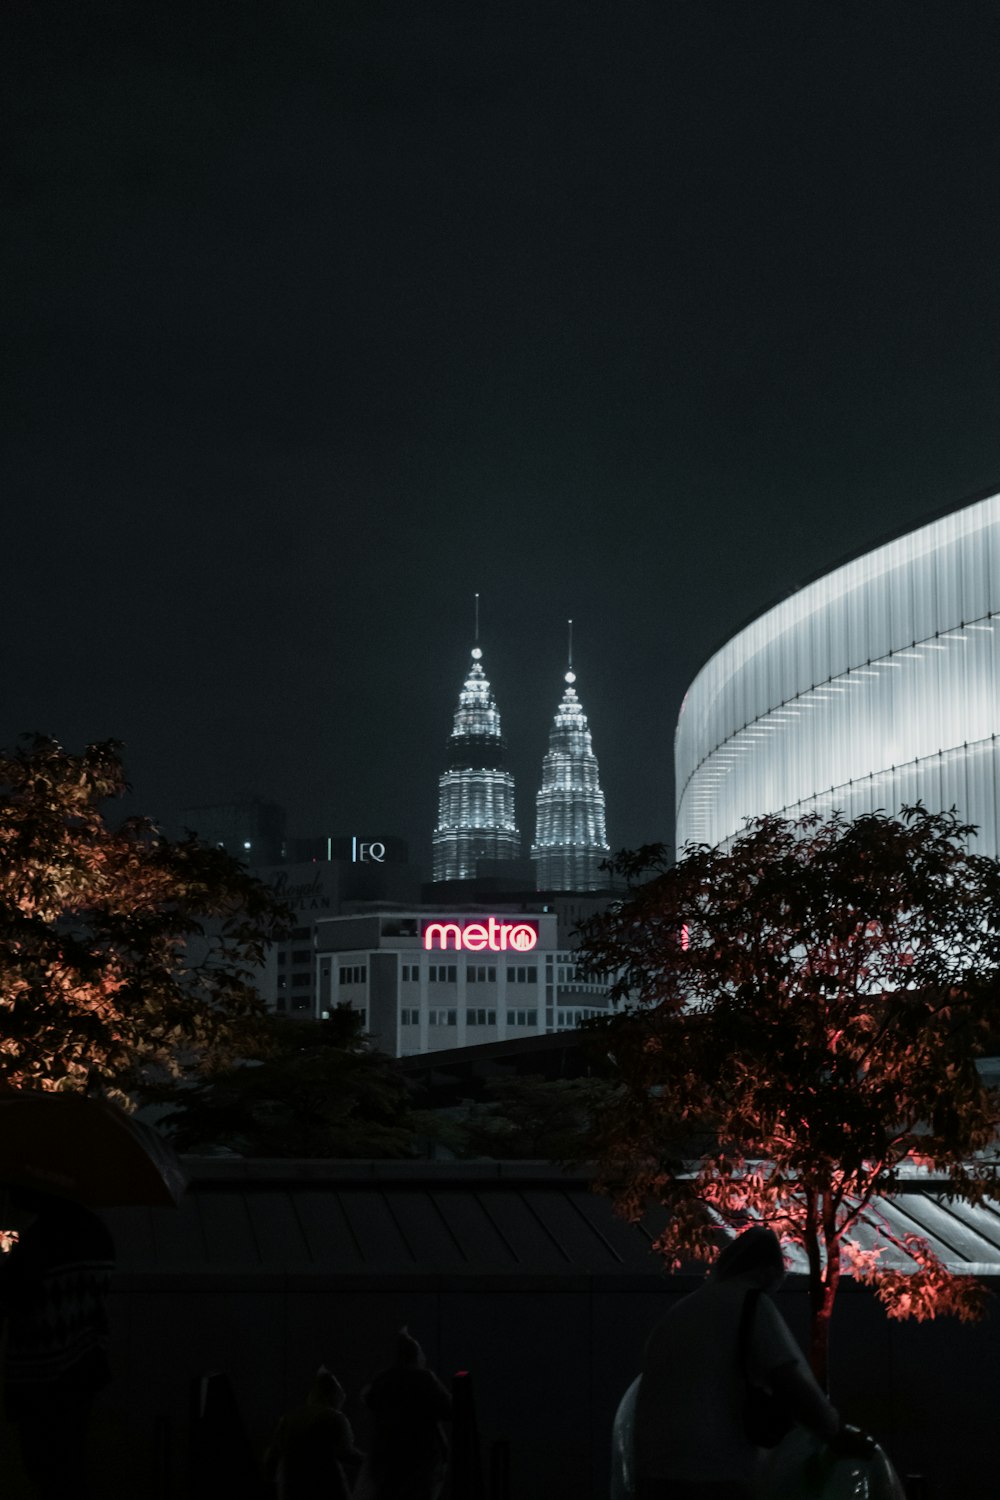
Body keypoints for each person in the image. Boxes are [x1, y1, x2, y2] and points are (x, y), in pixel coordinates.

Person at [634, 1226, 867, 1500]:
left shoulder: (681, 1311)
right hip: (715, 1469)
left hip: (654, 1470)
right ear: (770, 1269)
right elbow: (788, 1380)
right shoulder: (751, 1303)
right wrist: (834, 1431)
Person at [0, 1186, 115, 1500]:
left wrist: (6, 1242)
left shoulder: (39, 1238)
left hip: (42, 1374)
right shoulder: (97, 1231)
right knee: (70, 1464)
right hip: (85, 1365)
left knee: (44, 1467)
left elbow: (11, 1295)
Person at [358, 1327, 452, 1500]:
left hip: (386, 1457)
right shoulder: (424, 1379)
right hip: (420, 1458)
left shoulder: (382, 1380)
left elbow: (370, 1401)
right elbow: (448, 1410)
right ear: (416, 1355)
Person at [263, 1365, 363, 1500]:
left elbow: (272, 1457)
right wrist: (371, 1460)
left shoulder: (289, 1419)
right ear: (333, 1396)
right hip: (326, 1490)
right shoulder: (334, 1417)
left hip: (292, 1491)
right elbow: (346, 1453)